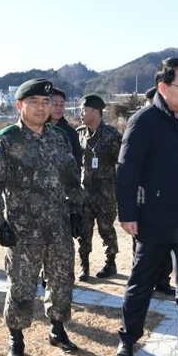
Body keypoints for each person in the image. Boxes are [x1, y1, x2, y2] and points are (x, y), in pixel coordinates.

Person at [0, 78, 85, 356]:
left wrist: (77, 212)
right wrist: (0, 224)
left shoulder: (58, 137)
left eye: (46, 102)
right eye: (34, 102)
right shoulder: (6, 139)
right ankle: (16, 338)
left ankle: (57, 329)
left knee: (62, 281)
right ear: (19, 105)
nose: (41, 107)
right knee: (22, 286)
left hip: (58, 227)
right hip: (22, 232)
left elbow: (72, 179)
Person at [115, 58, 178, 356]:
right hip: (153, 218)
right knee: (141, 282)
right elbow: (126, 170)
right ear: (162, 87)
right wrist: (127, 213)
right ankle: (128, 339)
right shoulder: (144, 121)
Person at [75, 95, 122, 282]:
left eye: (84, 110)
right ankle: (83, 265)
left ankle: (110, 263)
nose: (80, 114)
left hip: (105, 194)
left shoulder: (112, 135)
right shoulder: (79, 133)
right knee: (83, 232)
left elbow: (122, 164)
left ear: (95, 112)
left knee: (107, 230)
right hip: (84, 193)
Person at [140, 86, 175, 295]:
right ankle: (146, 282)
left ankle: (163, 280)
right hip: (144, 198)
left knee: (167, 244)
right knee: (143, 247)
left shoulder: (173, 127)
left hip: (168, 198)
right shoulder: (139, 126)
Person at [49, 87, 82, 167]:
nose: (59, 108)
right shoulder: (38, 129)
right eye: (55, 104)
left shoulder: (71, 133)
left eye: (62, 105)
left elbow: (77, 163)